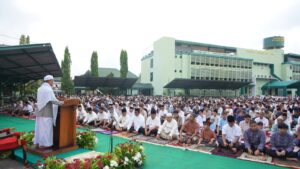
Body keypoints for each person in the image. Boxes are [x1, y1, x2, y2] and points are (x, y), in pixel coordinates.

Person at [34, 75, 64, 148]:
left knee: (40, 128)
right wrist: (62, 102)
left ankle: (39, 142)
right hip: (46, 111)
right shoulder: (48, 89)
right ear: (49, 80)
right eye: (52, 80)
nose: (53, 82)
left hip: (39, 111)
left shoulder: (40, 88)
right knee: (46, 129)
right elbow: (52, 100)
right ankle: (46, 144)